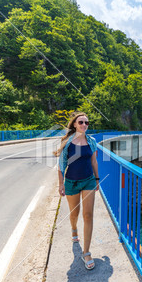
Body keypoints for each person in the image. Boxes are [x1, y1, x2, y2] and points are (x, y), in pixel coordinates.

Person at [54, 112, 99, 270]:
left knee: (88, 215)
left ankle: (86, 252)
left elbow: (93, 160)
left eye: (87, 123)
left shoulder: (91, 141)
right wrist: (61, 184)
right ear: (74, 124)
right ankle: (74, 229)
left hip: (88, 181)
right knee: (75, 213)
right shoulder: (67, 142)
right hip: (71, 182)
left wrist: (97, 179)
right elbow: (61, 165)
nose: (84, 125)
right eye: (81, 122)